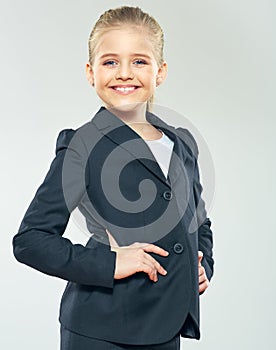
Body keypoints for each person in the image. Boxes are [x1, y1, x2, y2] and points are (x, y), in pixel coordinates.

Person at [12, 5, 214, 350]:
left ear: (160, 71)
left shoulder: (181, 143)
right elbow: (30, 240)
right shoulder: (83, 146)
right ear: (91, 73)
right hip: (101, 331)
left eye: (139, 61)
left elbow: (199, 221)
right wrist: (110, 262)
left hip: (166, 326)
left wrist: (204, 262)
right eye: (110, 62)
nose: (124, 73)